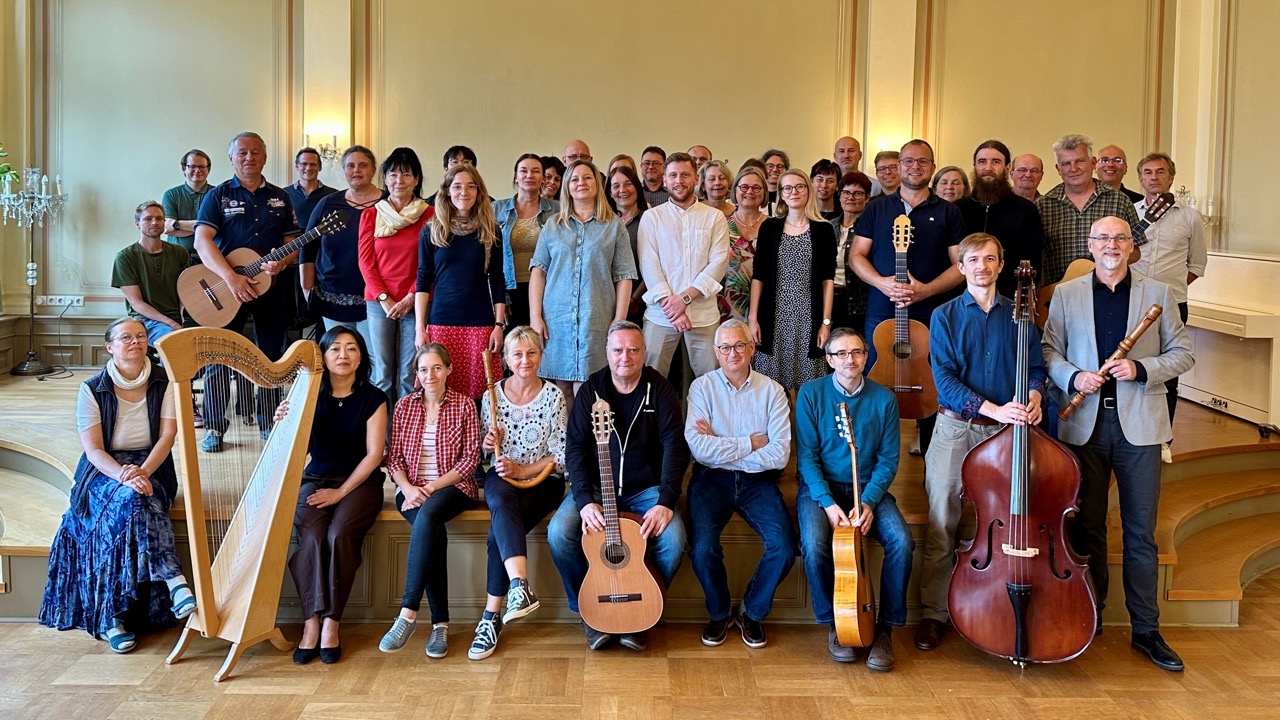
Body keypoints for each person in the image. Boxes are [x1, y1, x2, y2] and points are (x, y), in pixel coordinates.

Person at [1042, 215, 1194, 672]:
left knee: (1140, 533)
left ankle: (1146, 630)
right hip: (1084, 427)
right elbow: (1048, 351)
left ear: (1132, 246)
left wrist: (1141, 369)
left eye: (1120, 238)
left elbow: (1183, 354)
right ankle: (1090, 616)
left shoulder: (1158, 293)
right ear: (1090, 245)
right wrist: (1074, 377)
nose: (1111, 245)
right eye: (1103, 238)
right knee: (1087, 528)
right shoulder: (1067, 294)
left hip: (1140, 428)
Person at [914, 233, 1047, 652]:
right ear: (961, 267)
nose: (982, 267)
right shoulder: (944, 315)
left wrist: (1035, 397)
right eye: (973, 260)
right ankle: (934, 612)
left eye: (990, 259)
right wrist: (994, 409)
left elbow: (1036, 369)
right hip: (957, 429)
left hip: (1007, 432)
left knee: (1007, 518)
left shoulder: (1020, 316)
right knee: (942, 518)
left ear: (1001, 265)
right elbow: (945, 381)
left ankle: (995, 606)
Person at [39, 318, 195, 654]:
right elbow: (94, 450)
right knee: (131, 501)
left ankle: (114, 619)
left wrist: (143, 471)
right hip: (105, 469)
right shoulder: (92, 388)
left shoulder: (164, 381)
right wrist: (126, 475)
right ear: (110, 347)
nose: (135, 341)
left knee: (137, 499)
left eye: (140, 336)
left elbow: (167, 436)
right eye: (126, 337)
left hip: (152, 464)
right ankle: (174, 581)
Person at [547, 321, 690, 651]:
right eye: (618, 350)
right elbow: (575, 448)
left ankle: (643, 609)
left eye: (633, 350)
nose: (625, 357)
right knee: (559, 532)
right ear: (607, 353)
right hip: (598, 490)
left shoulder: (660, 389)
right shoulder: (591, 391)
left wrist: (666, 501)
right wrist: (584, 500)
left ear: (644, 352)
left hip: (646, 491)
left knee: (674, 538)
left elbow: (675, 447)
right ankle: (588, 610)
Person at [795, 328, 914, 671]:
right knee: (814, 545)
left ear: (866, 356)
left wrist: (870, 502)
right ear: (829, 360)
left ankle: (885, 629)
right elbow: (807, 457)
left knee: (902, 542)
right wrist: (827, 503)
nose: (850, 359)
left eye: (857, 352)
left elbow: (888, 459)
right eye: (842, 353)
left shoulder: (884, 398)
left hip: (866, 489)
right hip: (822, 489)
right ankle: (836, 623)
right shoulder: (811, 394)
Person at [278, 326, 388, 665]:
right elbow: (296, 452)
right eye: (335, 348)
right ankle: (311, 621)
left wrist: (341, 492)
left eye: (352, 348)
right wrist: (284, 423)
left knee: (338, 535)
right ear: (323, 357)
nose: (343, 355)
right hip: (315, 479)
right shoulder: (309, 396)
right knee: (312, 536)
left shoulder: (374, 398)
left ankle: (332, 623)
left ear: (361, 357)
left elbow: (374, 455)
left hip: (360, 483)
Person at [851, 139, 964, 459]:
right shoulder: (877, 208)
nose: (915, 167)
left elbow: (960, 266)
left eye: (923, 161)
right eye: (909, 161)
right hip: (881, 313)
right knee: (874, 387)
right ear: (900, 166)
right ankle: (868, 466)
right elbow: (857, 256)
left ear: (932, 167)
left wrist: (926, 290)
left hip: (932, 313)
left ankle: (933, 467)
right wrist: (882, 283)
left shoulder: (948, 211)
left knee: (932, 387)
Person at [686, 319, 795, 648]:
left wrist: (721, 445)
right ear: (715, 352)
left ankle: (752, 611)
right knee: (702, 549)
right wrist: (752, 443)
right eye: (725, 347)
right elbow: (699, 449)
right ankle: (719, 613)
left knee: (784, 547)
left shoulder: (772, 391)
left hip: (757, 483)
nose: (732, 353)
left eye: (739, 346)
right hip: (710, 480)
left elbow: (779, 456)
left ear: (751, 348)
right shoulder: (701, 388)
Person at [194, 131, 302, 452]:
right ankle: (214, 427)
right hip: (226, 291)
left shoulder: (281, 197)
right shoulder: (218, 196)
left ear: (264, 158)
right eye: (242, 152)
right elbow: (202, 241)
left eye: (255, 152)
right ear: (231, 158)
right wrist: (231, 278)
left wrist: (282, 262)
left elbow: (291, 244)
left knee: (270, 357)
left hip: (270, 289)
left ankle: (269, 422)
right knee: (218, 357)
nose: (249, 157)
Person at [468, 327, 568, 661]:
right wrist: (487, 443)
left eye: (532, 353)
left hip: (544, 481)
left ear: (541, 356)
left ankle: (491, 616)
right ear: (507, 360)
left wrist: (523, 471)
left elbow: (562, 454)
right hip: (502, 477)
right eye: (518, 355)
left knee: (497, 534)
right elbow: (484, 451)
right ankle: (518, 587)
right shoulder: (492, 395)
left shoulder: (553, 396)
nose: (525, 360)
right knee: (498, 495)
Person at [378, 343, 481, 659]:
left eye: (437, 367)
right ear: (417, 374)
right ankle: (440, 626)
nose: (430, 375)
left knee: (428, 516)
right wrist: (408, 488)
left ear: (449, 369)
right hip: (410, 491)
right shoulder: (404, 406)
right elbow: (394, 457)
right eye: (423, 369)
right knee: (432, 528)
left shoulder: (464, 405)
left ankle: (407, 613)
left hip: (453, 487)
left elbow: (470, 460)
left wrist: (432, 486)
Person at [530, 160, 637, 409]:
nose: (581, 183)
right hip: (557, 320)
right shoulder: (553, 226)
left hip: (596, 319)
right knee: (561, 388)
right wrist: (535, 317)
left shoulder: (614, 226)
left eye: (587, 178)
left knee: (589, 388)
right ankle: (568, 435)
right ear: (567, 186)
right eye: (575, 179)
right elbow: (538, 272)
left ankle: (588, 435)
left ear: (597, 184)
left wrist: (618, 320)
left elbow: (624, 276)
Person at [1131, 152, 1207, 446]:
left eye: (1160, 172)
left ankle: (1163, 440)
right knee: (1132, 367)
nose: (1154, 177)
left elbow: (1196, 265)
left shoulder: (1190, 217)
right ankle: (1133, 434)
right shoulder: (1130, 214)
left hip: (1172, 305)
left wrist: (1167, 292)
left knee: (1167, 373)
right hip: (1133, 303)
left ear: (1171, 177)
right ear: (1140, 179)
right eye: (1148, 172)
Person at [414, 163, 507, 399]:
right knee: (440, 390)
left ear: (478, 191)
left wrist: (498, 325)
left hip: (480, 323)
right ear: (447, 191)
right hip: (441, 321)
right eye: (457, 187)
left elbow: (497, 280)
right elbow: (423, 280)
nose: (463, 192)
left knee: (481, 393)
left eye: (470, 186)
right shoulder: (432, 230)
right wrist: (420, 327)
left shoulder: (491, 231)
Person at [637, 152, 731, 380]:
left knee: (711, 380)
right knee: (650, 379)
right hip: (661, 314)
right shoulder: (652, 217)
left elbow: (718, 263)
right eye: (673, 175)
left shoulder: (715, 217)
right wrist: (673, 307)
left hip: (703, 314)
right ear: (665, 180)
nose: (679, 181)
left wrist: (684, 299)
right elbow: (649, 265)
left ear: (696, 179)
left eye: (685, 175)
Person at [749, 168, 835, 389]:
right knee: (770, 385)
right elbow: (759, 276)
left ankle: (805, 414)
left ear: (808, 190)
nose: (793, 192)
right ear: (781, 194)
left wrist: (825, 323)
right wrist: (753, 318)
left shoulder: (824, 230)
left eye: (799, 187)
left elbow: (827, 280)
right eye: (787, 188)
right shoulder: (769, 228)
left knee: (810, 384)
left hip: (809, 317)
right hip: (773, 316)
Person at [358, 147, 430, 407]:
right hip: (379, 302)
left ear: (416, 180)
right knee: (383, 373)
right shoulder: (371, 214)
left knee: (410, 373)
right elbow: (365, 262)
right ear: (385, 179)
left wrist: (410, 297)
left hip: (416, 300)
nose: (399, 181)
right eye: (393, 174)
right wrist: (384, 298)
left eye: (406, 175)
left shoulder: (429, 215)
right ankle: (383, 430)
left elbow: (429, 264)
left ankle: (406, 429)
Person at [1037, 134, 1145, 285]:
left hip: (1108, 290)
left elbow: (1136, 251)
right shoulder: (1044, 206)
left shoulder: (1120, 201)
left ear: (1093, 163)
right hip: (1057, 293)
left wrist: (1109, 260)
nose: (1073, 168)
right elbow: (1036, 255)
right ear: (1058, 169)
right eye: (1066, 163)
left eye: (1080, 161)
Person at [301, 146, 382, 344]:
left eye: (363, 165)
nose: (356, 170)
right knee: (339, 353)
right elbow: (308, 247)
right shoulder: (327, 203)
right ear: (344, 170)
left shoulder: (388, 203)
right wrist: (306, 287)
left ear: (373, 170)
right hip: (332, 297)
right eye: (350, 166)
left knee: (374, 355)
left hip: (377, 297)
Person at [954, 140, 1045, 299]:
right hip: (961, 300)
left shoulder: (1025, 210)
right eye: (982, 162)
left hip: (1008, 300)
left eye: (996, 162)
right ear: (975, 167)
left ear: (1007, 168)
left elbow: (1032, 263)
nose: (988, 168)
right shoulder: (957, 209)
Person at [494, 153, 559, 328]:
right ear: (516, 177)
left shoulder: (557, 210)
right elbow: (488, 258)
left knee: (543, 340)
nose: (529, 175)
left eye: (535, 171)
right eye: (523, 171)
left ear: (543, 178)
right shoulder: (496, 209)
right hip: (509, 290)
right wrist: (500, 297)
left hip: (547, 289)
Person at [111, 201, 189, 343]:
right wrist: (171, 323)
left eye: (159, 218)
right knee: (174, 340)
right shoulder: (125, 257)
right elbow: (136, 303)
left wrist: (184, 319)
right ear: (137, 224)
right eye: (148, 219)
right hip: (145, 321)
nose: (154, 222)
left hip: (178, 317)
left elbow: (185, 291)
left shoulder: (179, 252)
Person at [720, 165, 768, 322]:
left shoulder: (774, 226)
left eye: (756, 187)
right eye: (744, 187)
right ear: (735, 190)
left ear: (764, 192)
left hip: (765, 306)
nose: (750, 191)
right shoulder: (720, 224)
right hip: (726, 307)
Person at [607, 165, 651, 325]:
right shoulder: (603, 222)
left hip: (640, 302)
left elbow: (655, 264)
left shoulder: (649, 220)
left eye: (628, 184)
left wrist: (635, 300)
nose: (622, 190)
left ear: (637, 187)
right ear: (610, 192)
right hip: (606, 301)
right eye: (616, 186)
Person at [831, 171, 873, 333]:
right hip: (829, 298)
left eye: (858, 193)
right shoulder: (829, 226)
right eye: (846, 192)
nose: (851, 197)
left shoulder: (870, 228)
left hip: (858, 301)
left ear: (867, 197)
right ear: (839, 195)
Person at [162, 149, 214, 264]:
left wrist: (177, 224)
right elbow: (167, 228)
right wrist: (206, 227)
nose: (197, 170)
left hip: (211, 259)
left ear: (208, 169)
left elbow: (220, 227)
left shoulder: (217, 194)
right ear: (184, 168)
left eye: (202, 167)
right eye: (192, 166)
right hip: (176, 258)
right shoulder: (171, 195)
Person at [286, 148, 338, 229]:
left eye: (313, 164)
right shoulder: (284, 194)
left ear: (320, 167)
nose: (308, 168)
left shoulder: (333, 195)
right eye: (304, 164)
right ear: (297, 166)